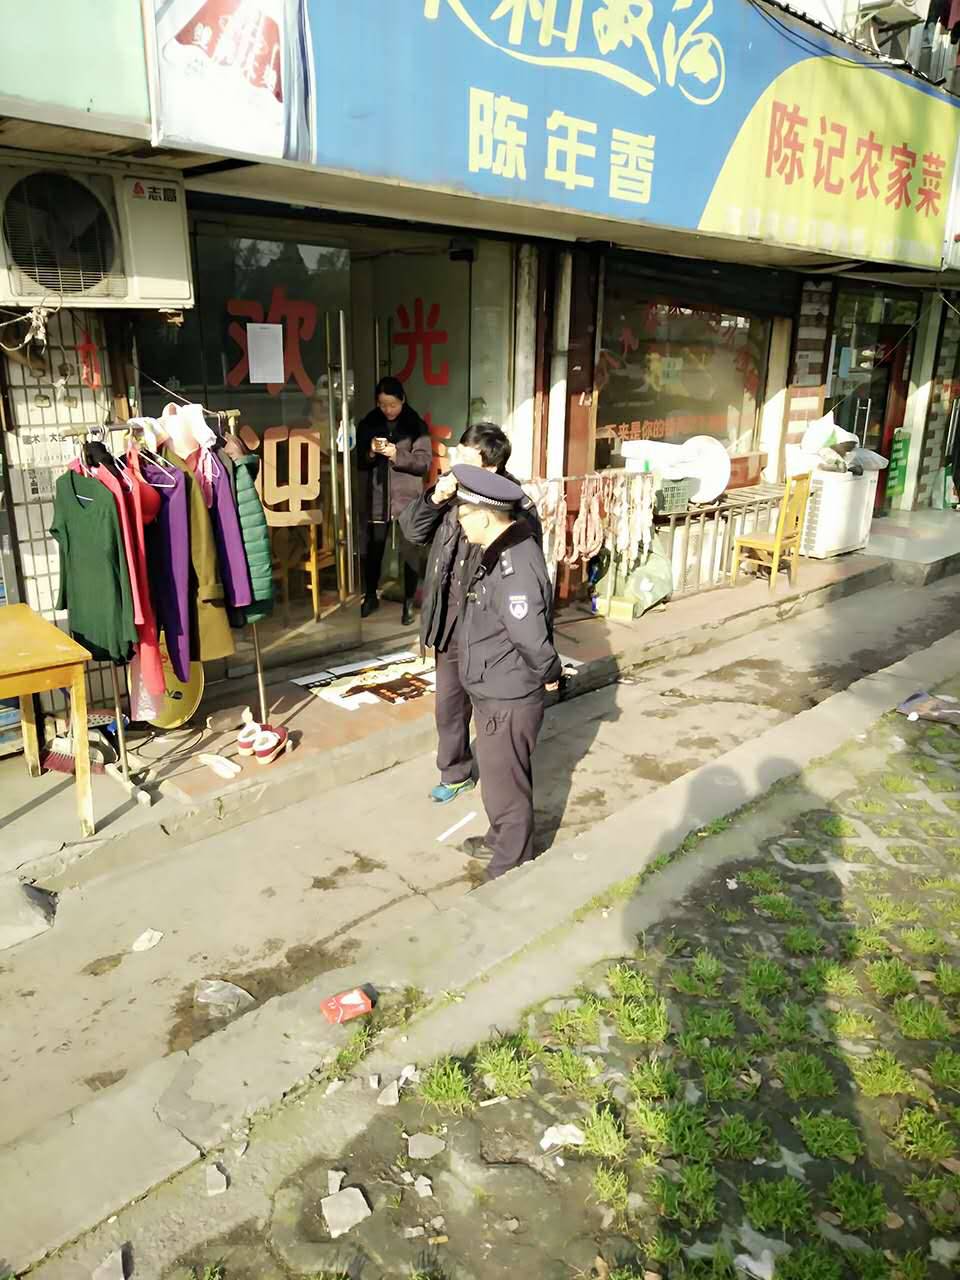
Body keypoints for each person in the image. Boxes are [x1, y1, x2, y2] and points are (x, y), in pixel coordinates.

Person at [399, 422, 541, 803]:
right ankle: (455, 772)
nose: (455, 463)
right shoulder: (450, 492)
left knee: (490, 708)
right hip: (450, 619)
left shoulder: (515, 506)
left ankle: (503, 786)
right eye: (457, 454)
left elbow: (526, 571)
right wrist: (434, 498)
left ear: (491, 467)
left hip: (489, 627)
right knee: (448, 704)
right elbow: (411, 531)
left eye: (466, 457)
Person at [451, 463, 561, 882]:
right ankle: (501, 839)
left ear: (484, 516)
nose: (460, 523)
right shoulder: (498, 551)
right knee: (500, 777)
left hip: (508, 693)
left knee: (506, 784)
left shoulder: (514, 563)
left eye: (463, 515)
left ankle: (510, 867)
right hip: (492, 685)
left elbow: (530, 635)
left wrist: (550, 672)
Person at [356, 376, 432, 625]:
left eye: (392, 405)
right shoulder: (369, 422)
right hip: (377, 497)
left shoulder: (416, 425)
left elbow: (423, 463)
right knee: (373, 549)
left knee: (409, 552)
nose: (387, 410)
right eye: (382, 405)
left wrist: (396, 454)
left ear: (403, 400)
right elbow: (359, 461)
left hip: (406, 498)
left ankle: (409, 602)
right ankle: (370, 596)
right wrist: (370, 451)